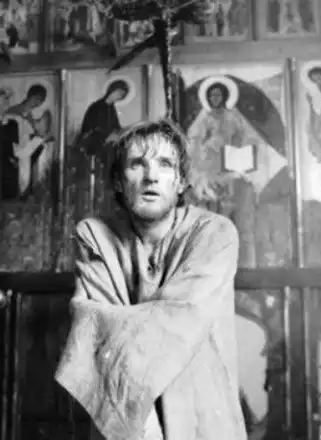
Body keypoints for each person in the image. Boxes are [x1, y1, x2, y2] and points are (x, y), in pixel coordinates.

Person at [55, 119, 247, 440]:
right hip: (120, 416)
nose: (151, 176)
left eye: (165, 164)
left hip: (199, 409)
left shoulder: (215, 233)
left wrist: (123, 320)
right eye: (137, 164)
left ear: (181, 181)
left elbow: (181, 319)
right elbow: (96, 326)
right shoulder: (95, 235)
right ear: (118, 181)